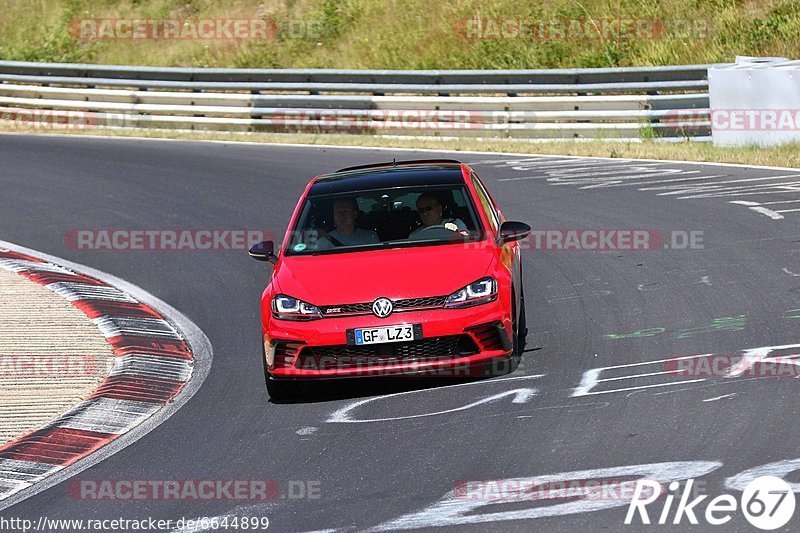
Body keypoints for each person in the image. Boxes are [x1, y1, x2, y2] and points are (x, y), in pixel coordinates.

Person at [315, 197, 380, 249]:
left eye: (346, 211)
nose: (341, 215)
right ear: (333, 215)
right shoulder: (323, 242)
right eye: (338, 212)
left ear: (355, 214)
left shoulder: (370, 238)